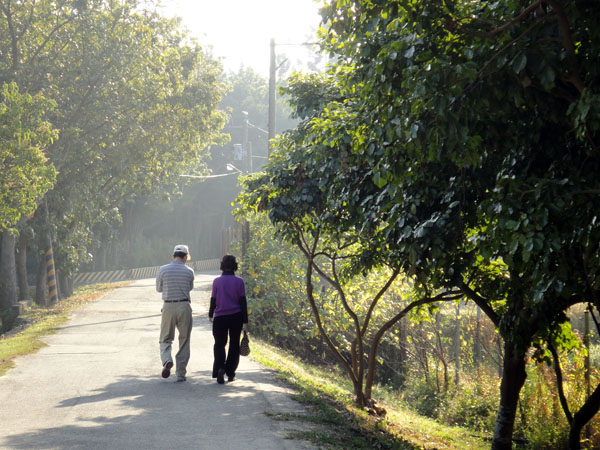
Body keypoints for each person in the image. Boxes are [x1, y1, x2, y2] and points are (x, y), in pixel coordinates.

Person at [156, 244, 195, 382]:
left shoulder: (163, 270)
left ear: (173, 256)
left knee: (165, 338)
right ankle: (180, 374)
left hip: (168, 306)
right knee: (184, 340)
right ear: (185, 257)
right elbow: (189, 288)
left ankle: (167, 360)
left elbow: (159, 289)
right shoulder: (189, 271)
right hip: (184, 306)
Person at [209, 254, 248, 384]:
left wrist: (210, 314)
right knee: (234, 345)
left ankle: (220, 368)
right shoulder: (239, 281)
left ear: (222, 266)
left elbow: (213, 300)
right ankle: (230, 373)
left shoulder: (216, 281)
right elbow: (243, 302)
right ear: (235, 266)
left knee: (219, 344)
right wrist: (245, 321)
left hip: (220, 317)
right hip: (236, 317)